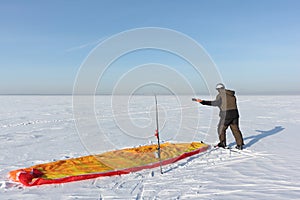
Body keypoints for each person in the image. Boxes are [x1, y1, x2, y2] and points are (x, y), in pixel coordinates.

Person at [192, 83, 244, 150]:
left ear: (218, 89)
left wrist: (203, 102)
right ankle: (240, 145)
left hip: (227, 115)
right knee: (235, 130)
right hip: (235, 114)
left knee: (221, 129)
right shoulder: (231, 95)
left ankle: (223, 143)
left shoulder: (221, 95)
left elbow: (216, 103)